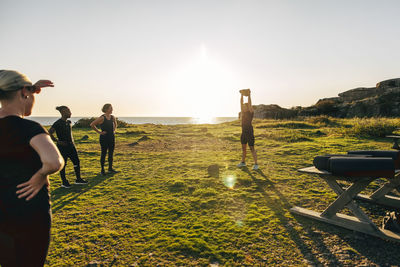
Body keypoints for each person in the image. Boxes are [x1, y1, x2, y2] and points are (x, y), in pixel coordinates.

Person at [0, 70, 64, 266]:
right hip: (29, 212)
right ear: (23, 93)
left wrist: (30, 88)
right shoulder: (29, 128)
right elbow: (54, 161)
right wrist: (40, 176)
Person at [49, 106, 88, 188]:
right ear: (63, 112)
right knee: (63, 164)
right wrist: (57, 141)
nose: (70, 113)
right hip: (62, 147)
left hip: (71, 146)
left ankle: (78, 179)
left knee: (76, 162)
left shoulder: (69, 122)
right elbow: (49, 133)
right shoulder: (58, 123)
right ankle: (64, 182)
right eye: (68, 111)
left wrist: (73, 143)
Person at [90, 103, 118, 175]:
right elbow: (92, 124)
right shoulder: (102, 117)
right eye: (110, 108)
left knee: (111, 153)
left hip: (111, 137)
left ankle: (110, 168)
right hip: (104, 138)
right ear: (106, 109)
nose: (112, 109)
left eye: (112, 108)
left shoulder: (112, 117)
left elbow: (115, 124)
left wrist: (114, 131)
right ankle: (102, 170)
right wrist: (99, 132)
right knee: (104, 153)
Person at [237, 89, 259, 170]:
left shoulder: (250, 112)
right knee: (243, 148)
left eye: (244, 106)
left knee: (252, 148)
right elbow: (240, 103)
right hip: (243, 133)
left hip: (249, 132)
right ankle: (243, 162)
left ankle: (256, 164)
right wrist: (242, 95)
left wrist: (249, 95)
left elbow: (250, 104)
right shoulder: (243, 113)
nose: (243, 107)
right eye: (243, 107)